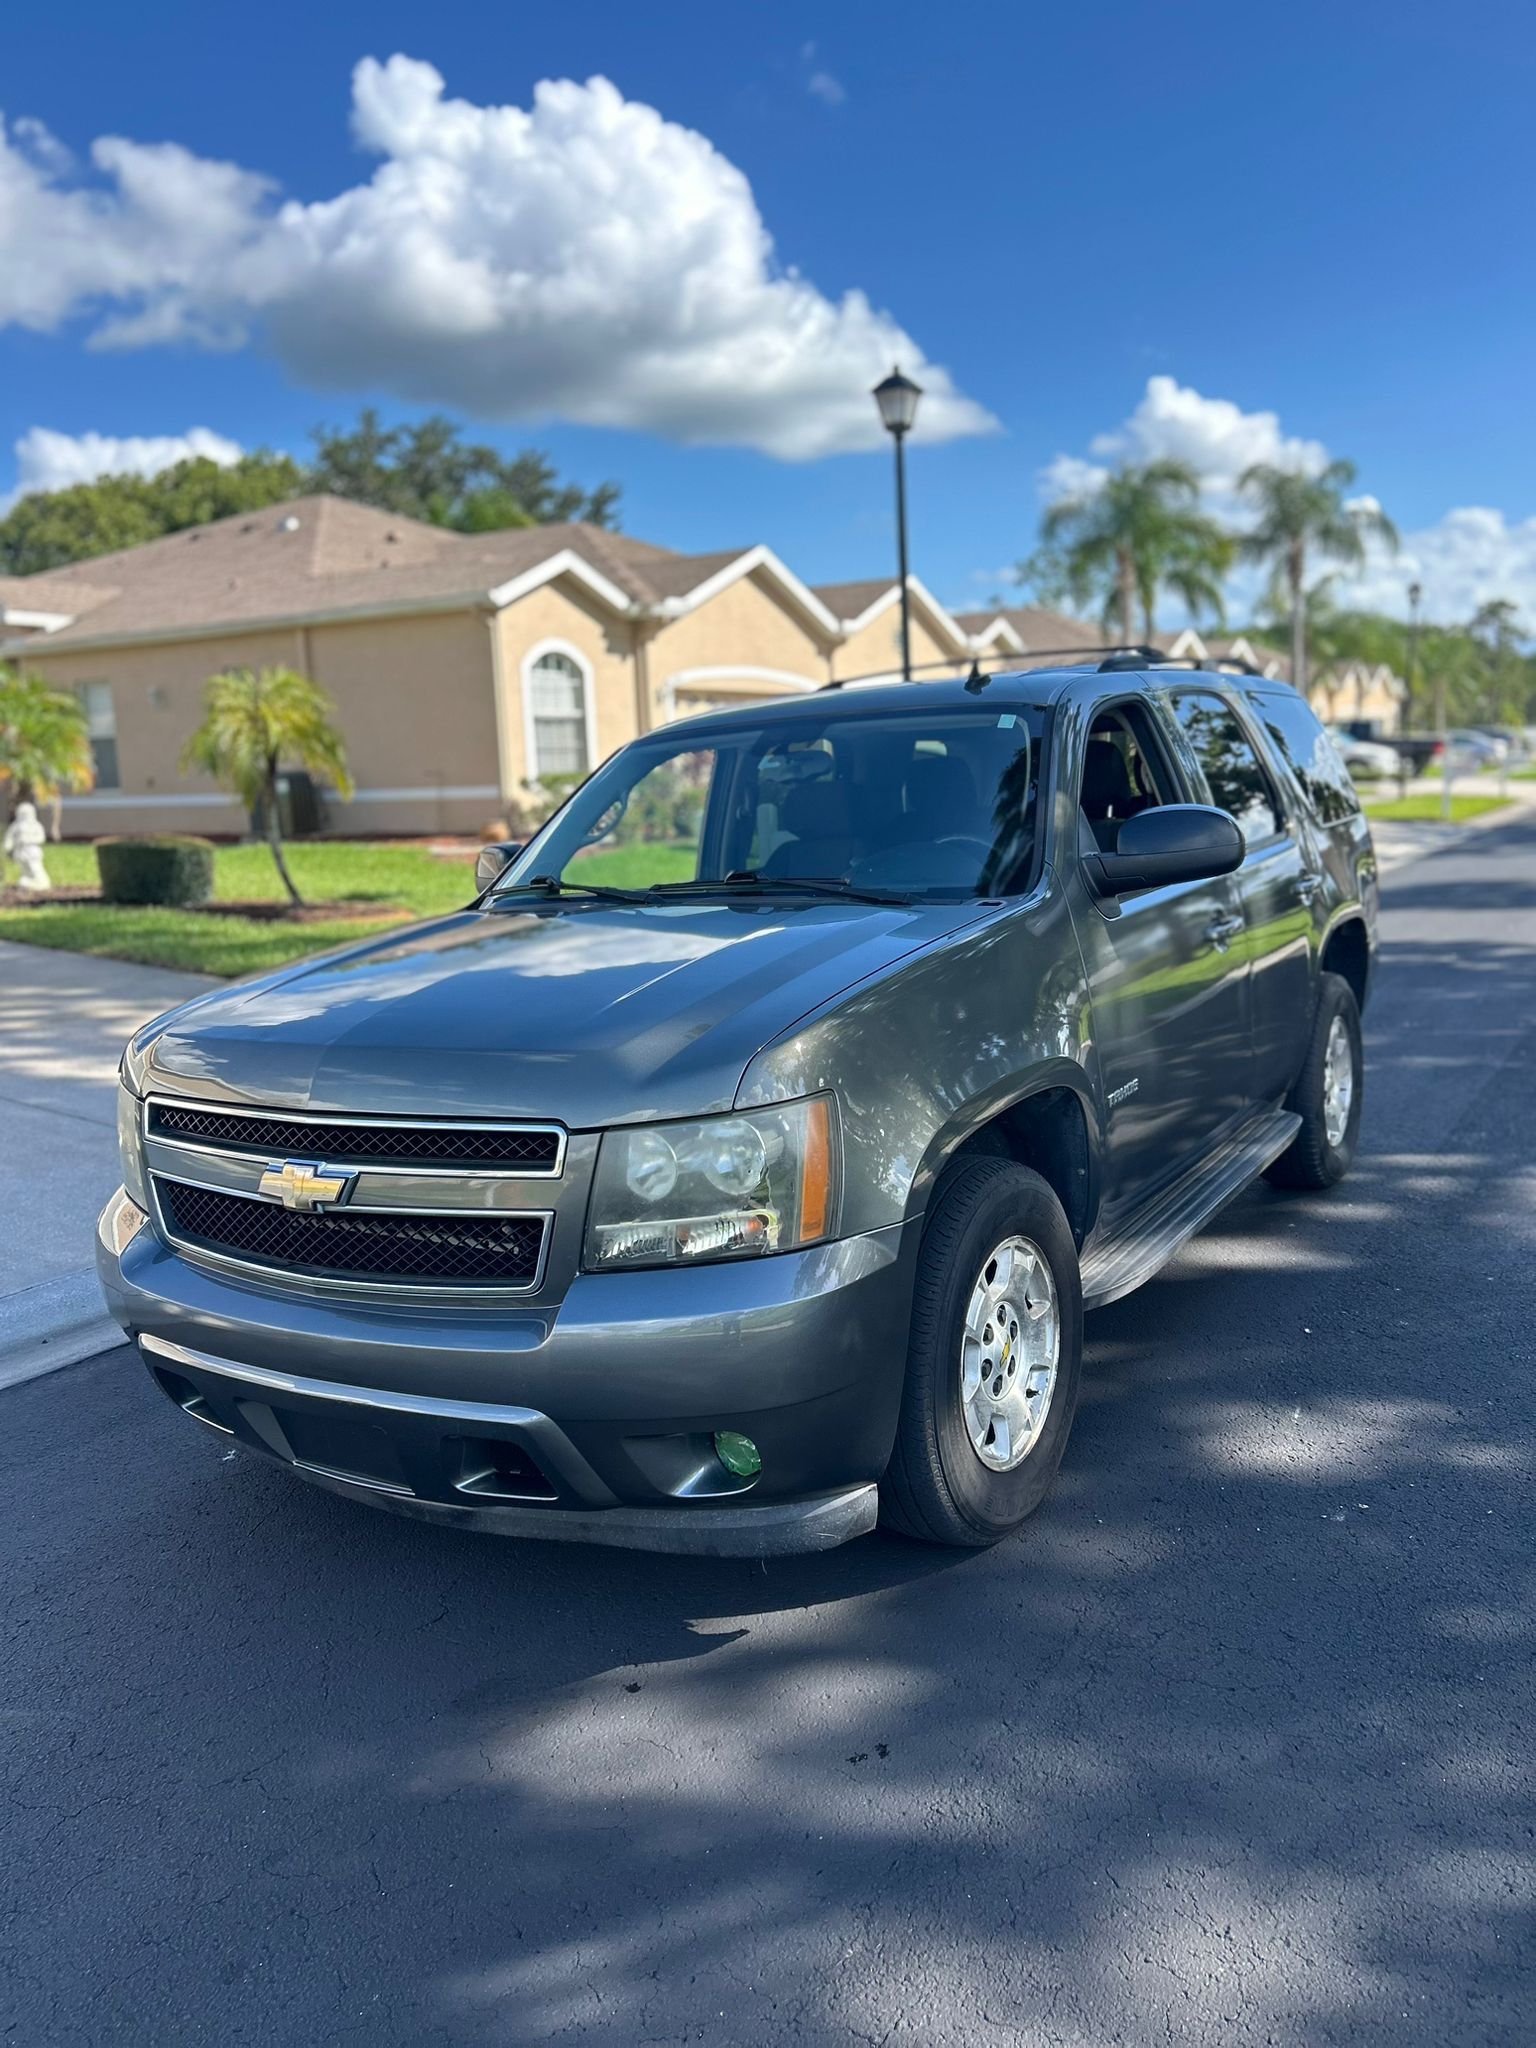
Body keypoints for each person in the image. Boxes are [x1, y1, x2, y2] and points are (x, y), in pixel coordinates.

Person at [3, 799, 51, 891]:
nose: (25, 816)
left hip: (32, 852)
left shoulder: (36, 825)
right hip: (20, 852)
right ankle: (29, 881)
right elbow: (10, 837)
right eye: (22, 814)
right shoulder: (16, 826)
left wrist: (28, 840)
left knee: (35, 867)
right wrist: (8, 846)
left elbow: (41, 838)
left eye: (27, 814)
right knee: (24, 869)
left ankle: (42, 881)